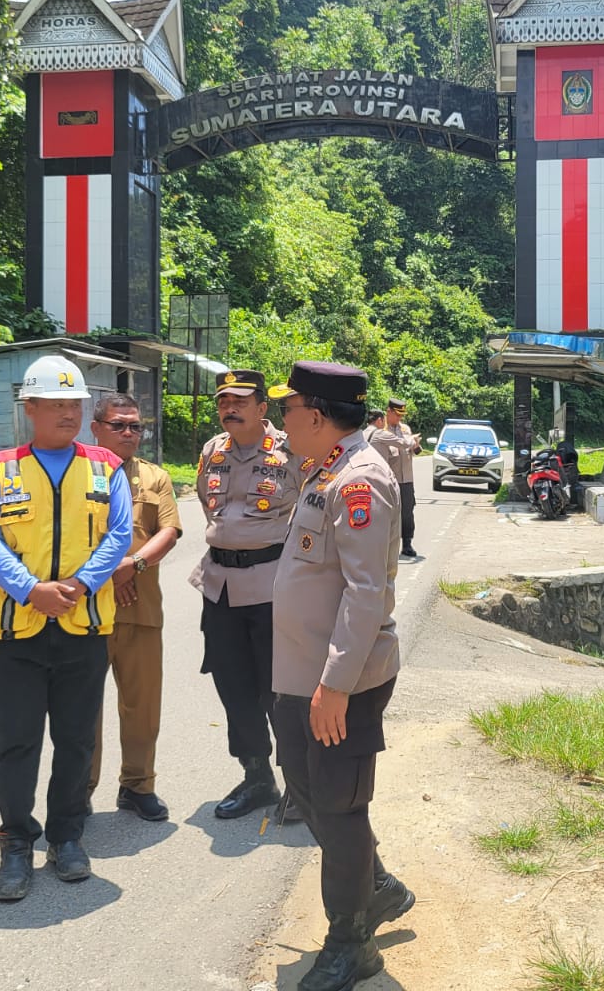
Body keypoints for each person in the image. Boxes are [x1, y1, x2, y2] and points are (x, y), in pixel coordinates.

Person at [268, 361, 414, 991]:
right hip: (301, 677)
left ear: (319, 414)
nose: (282, 420)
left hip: (339, 682)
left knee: (340, 807)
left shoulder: (360, 480)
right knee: (307, 795)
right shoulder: (326, 469)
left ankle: (350, 941)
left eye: (289, 408)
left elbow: (365, 593)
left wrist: (334, 685)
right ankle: (375, 886)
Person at [0, 355, 131, 902]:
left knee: (75, 741)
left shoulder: (107, 467)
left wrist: (83, 584)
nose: (68, 413)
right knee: (15, 744)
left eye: (75, 404)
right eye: (57, 404)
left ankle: (67, 837)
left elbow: (120, 532)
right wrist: (30, 589)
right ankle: (16, 842)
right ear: (31, 408)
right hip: (17, 631)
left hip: (83, 628)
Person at [190, 369, 300, 820]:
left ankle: (299, 781)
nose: (228, 409)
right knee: (233, 687)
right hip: (219, 587)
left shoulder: (292, 452)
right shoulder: (211, 452)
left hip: (272, 586)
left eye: (239, 401)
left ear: (261, 408)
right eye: (222, 402)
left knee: (281, 689)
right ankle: (257, 777)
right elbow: (207, 505)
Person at [86, 393, 182, 823]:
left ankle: (137, 785)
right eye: (118, 425)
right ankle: (78, 790)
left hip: (142, 608)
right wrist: (110, 573)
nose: (129, 433)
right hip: (86, 611)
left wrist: (135, 564)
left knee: (142, 706)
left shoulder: (154, 477)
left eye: (135, 426)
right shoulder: (75, 473)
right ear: (96, 428)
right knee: (82, 709)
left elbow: (170, 531)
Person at [383, 398, 422, 558]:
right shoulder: (382, 432)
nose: (399, 419)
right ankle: (384, 544)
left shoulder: (405, 429)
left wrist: (415, 445)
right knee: (387, 512)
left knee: (407, 512)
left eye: (401, 415)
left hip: (406, 479)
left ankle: (407, 543)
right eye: (397, 415)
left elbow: (416, 451)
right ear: (389, 412)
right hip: (389, 480)